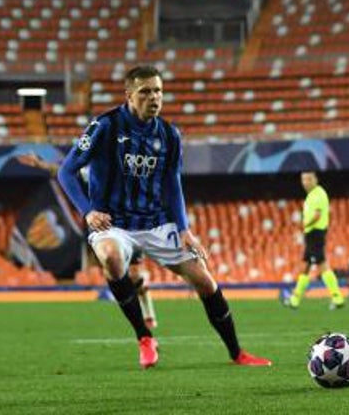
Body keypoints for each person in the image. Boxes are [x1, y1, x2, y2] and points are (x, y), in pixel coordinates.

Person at [57, 65, 270, 369]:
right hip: (114, 223)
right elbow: (66, 170)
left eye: (158, 91)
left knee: (205, 281)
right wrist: (88, 211)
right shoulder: (105, 126)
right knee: (111, 257)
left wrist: (184, 229)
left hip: (156, 223)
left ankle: (237, 353)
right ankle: (144, 337)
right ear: (129, 95)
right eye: (145, 91)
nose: (153, 97)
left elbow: (173, 184)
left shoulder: (169, 135)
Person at [15, 151, 158, 329]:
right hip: (100, 226)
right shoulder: (87, 170)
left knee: (135, 275)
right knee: (113, 267)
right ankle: (132, 310)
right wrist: (39, 164)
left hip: (127, 223)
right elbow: (61, 171)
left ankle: (148, 311)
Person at [285, 171, 346, 309]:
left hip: (315, 232)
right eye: (303, 179)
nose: (306, 182)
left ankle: (337, 297)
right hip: (312, 233)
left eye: (309, 179)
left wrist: (306, 224)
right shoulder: (311, 195)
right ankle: (295, 299)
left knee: (321, 264)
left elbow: (317, 215)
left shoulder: (318, 193)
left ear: (316, 179)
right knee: (306, 265)